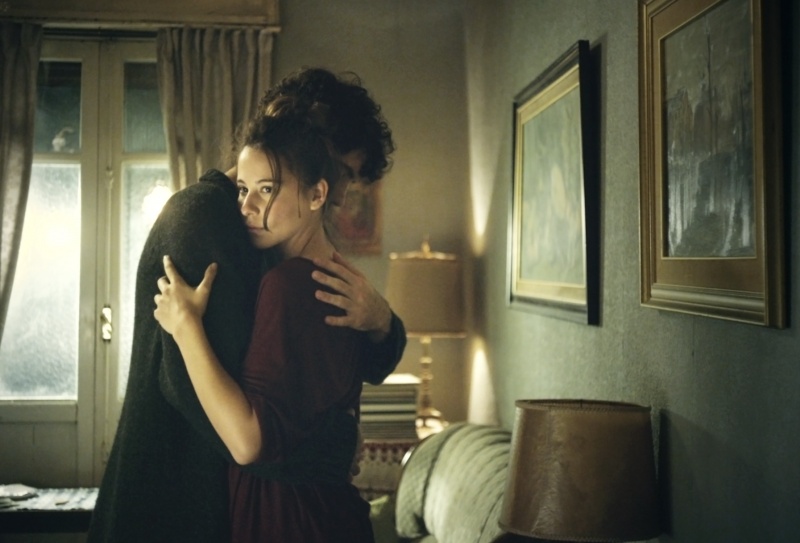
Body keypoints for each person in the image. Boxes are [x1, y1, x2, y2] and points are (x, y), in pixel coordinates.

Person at [87, 67, 405, 543]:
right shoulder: (203, 220)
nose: (340, 194)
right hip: (172, 496)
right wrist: (331, 448)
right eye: (342, 171)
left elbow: (353, 361)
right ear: (298, 137)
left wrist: (381, 319)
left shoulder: (278, 246)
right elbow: (192, 387)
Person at [155, 112, 377, 542]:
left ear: (317, 194)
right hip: (327, 515)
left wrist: (185, 326)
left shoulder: (287, 285)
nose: (247, 207)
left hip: (291, 522)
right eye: (243, 189)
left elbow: (246, 442)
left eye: (267, 189)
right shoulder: (342, 280)